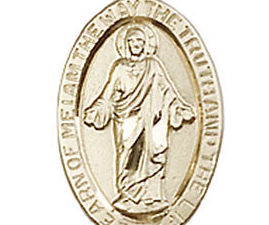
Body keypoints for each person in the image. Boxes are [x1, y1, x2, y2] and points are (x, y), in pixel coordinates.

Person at [84, 22, 195, 213]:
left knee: (152, 155)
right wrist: (96, 110)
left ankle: (152, 197)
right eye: (132, 40)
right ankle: (128, 195)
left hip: (151, 121)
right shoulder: (119, 67)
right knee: (128, 155)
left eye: (140, 41)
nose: (136, 44)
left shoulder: (154, 65)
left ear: (145, 44)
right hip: (126, 121)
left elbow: (167, 91)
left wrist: (179, 108)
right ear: (126, 44)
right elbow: (107, 94)